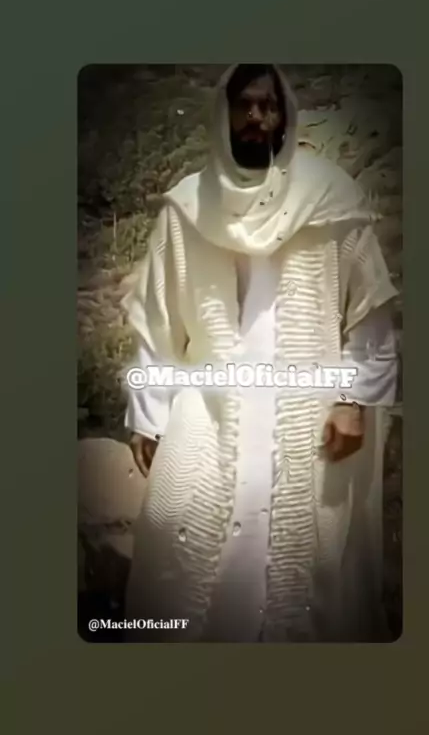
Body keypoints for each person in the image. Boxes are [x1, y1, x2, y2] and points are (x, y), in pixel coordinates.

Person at [122, 64, 398, 642]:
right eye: (243, 104)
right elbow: (157, 316)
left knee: (313, 562)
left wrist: (352, 400)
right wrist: (148, 414)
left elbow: (369, 311)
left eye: (266, 105)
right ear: (222, 112)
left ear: (283, 113)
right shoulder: (189, 205)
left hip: (308, 404)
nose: (255, 117)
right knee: (177, 530)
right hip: (211, 401)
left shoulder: (330, 196)